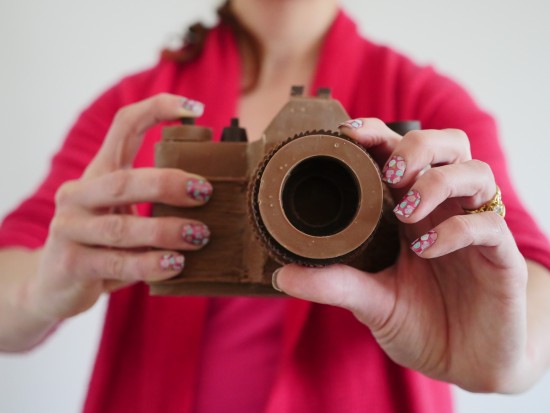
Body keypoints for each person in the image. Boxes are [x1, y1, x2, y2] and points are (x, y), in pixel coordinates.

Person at [1, 0, 550, 412]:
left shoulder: (423, 102)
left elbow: (528, 272)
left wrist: (504, 348)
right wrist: (40, 289)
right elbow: (13, 271)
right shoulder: (141, 107)